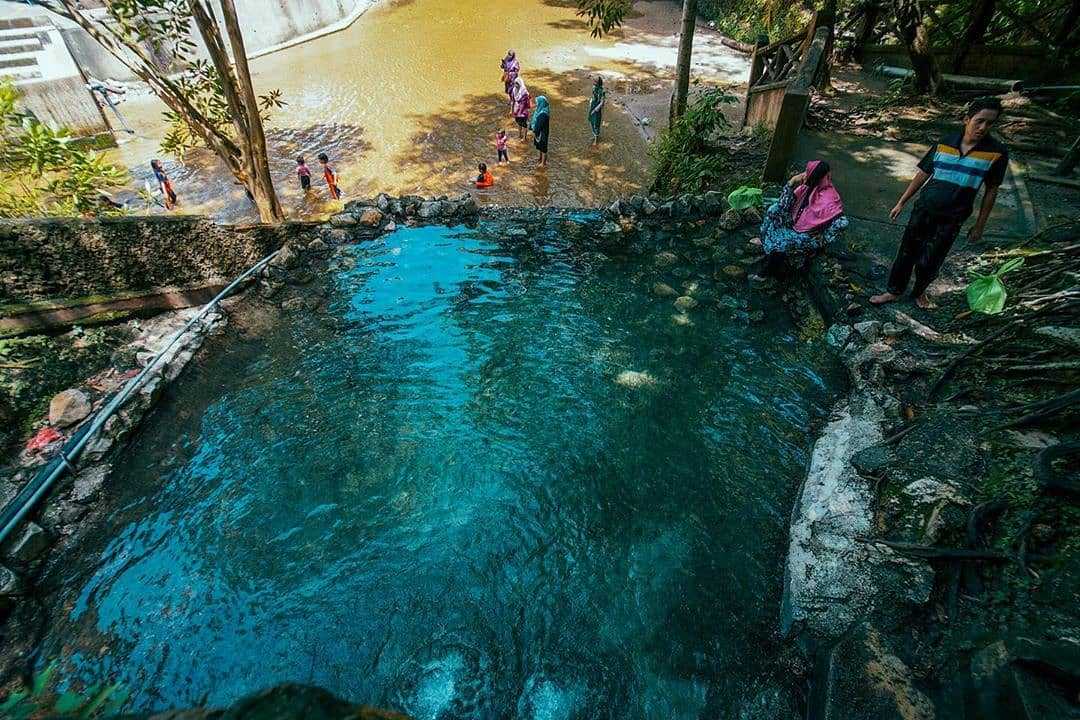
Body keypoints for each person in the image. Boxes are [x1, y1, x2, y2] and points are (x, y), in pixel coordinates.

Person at [870, 97, 1009, 309]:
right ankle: (893, 291)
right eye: (979, 121)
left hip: (954, 216)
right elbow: (924, 173)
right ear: (967, 119)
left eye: (990, 123)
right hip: (925, 208)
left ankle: (920, 293)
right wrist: (901, 202)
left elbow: (991, 190)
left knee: (933, 257)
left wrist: (980, 225)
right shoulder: (945, 142)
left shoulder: (996, 152)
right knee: (907, 251)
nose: (983, 127)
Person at [755, 160, 848, 272]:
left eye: (806, 171)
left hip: (805, 234)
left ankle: (769, 269)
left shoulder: (829, 198)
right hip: (794, 223)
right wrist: (791, 182)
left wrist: (822, 238)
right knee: (773, 210)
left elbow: (842, 222)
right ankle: (766, 242)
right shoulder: (806, 187)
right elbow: (782, 206)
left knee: (779, 247)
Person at [531, 95, 550, 167]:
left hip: (542, 133)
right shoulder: (543, 109)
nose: (536, 104)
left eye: (537, 102)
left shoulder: (543, 114)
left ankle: (543, 163)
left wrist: (535, 130)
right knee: (540, 146)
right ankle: (540, 158)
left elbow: (539, 125)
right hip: (540, 132)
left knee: (543, 147)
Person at [588, 76, 606, 145]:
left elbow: (602, 102)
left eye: (595, 81)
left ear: (598, 83)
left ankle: (596, 139)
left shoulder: (602, 91)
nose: (594, 82)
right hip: (592, 106)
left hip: (597, 109)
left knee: (596, 123)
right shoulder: (594, 88)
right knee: (591, 121)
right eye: (594, 81)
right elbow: (592, 96)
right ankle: (595, 135)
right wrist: (590, 102)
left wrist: (596, 109)